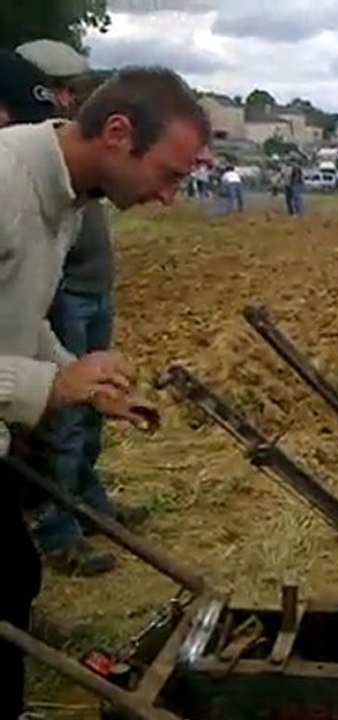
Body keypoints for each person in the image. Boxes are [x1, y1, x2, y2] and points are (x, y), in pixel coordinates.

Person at [0, 58, 210, 718]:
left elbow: (17, 318)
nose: (169, 197)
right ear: (118, 133)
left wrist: (79, 376)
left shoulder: (66, 197)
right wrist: (50, 382)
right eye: (168, 175)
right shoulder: (4, 187)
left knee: (13, 574)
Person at [7, 39, 148, 579]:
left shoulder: (73, 164)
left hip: (88, 290)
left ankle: (90, 505)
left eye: (72, 90)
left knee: (87, 407)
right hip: (64, 297)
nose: (69, 99)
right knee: (61, 418)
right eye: (61, 89)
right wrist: (53, 377)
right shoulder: (22, 170)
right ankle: (59, 529)